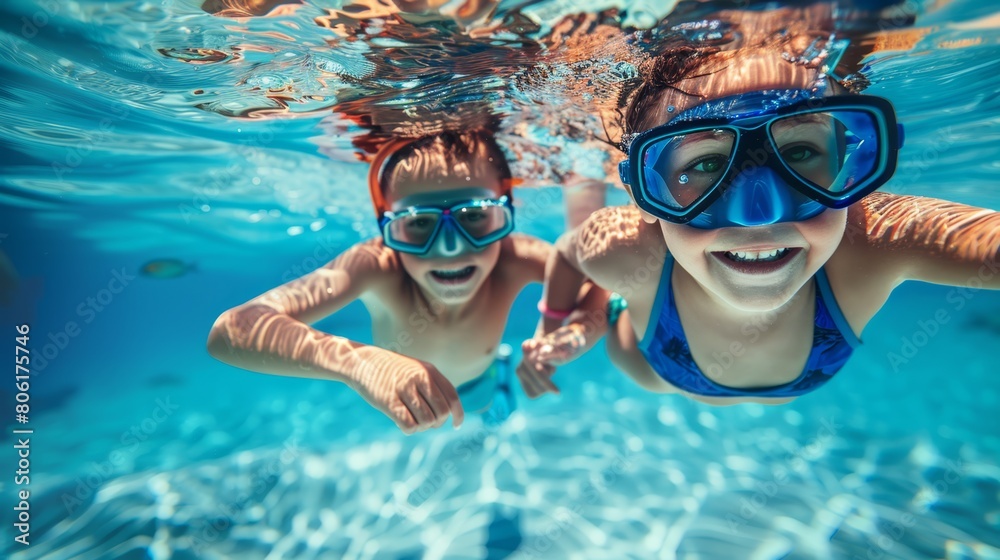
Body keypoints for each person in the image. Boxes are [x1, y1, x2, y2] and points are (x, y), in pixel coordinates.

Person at [518, 6, 1000, 405]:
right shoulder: (624, 247)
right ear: (644, 193)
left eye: (799, 153)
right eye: (705, 164)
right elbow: (567, 252)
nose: (761, 213)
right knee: (597, 268)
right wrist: (553, 329)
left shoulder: (871, 236)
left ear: (852, 164)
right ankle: (600, 282)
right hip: (651, 358)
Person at [207, 130, 553, 433]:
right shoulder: (376, 264)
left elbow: (594, 279)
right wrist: (363, 365)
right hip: (404, 393)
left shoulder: (515, 255)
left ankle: (501, 368)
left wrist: (557, 332)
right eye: (418, 223)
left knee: (484, 408)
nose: (450, 247)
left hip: (481, 378)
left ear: (505, 214)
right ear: (387, 230)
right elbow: (231, 330)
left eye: (475, 216)